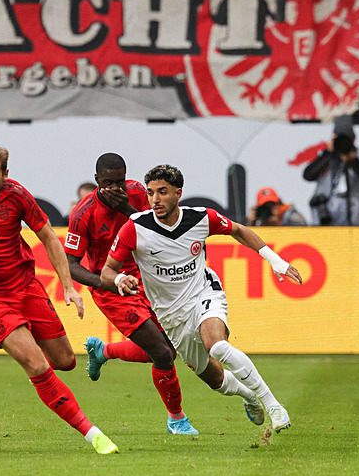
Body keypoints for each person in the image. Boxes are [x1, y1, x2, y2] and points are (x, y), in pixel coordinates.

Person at [0, 143, 119, 454]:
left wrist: (69, 285)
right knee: (37, 363)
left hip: (25, 287)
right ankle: (92, 433)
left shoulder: (17, 195)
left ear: (5, 173)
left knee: (65, 362)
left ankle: (42, 379)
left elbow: (47, 236)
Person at [102, 164, 302, 433]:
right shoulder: (135, 228)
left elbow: (239, 230)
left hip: (204, 293)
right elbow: (106, 271)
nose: (155, 199)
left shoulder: (200, 218)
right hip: (171, 315)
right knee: (215, 379)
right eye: (150, 193)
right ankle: (248, 395)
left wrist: (274, 260)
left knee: (217, 346)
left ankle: (274, 405)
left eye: (162, 192)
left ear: (178, 193)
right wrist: (118, 280)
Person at [66, 153, 198, 435]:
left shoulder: (138, 194)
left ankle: (104, 351)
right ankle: (177, 419)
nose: (115, 188)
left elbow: (161, 228)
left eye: (120, 182)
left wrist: (126, 207)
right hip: (112, 290)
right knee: (163, 354)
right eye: (108, 183)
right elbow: (71, 266)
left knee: (168, 350)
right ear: (97, 181)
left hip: (147, 280)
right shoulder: (83, 214)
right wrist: (108, 282)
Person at [303, 115, 359, 226]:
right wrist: (328, 153)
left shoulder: (358, 156)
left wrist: (353, 161)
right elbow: (308, 175)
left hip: (355, 219)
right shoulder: (326, 156)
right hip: (327, 219)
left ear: (353, 140)